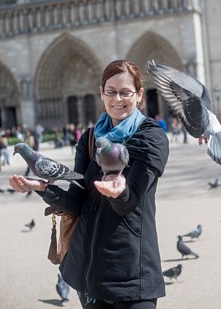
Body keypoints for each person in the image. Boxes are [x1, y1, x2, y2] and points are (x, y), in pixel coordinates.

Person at [8, 59, 169, 309]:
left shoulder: (150, 136)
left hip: (131, 272)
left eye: (125, 92)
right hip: (87, 271)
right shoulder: (91, 139)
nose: (117, 99)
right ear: (101, 93)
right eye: (111, 91)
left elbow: (130, 201)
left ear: (139, 94)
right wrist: (42, 188)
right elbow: (76, 202)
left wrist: (119, 192)